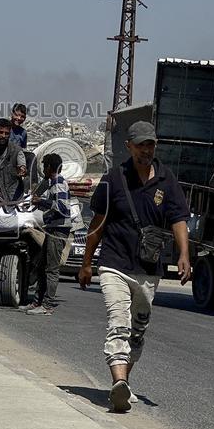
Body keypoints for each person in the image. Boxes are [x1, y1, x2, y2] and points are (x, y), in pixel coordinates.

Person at [77, 121, 191, 412]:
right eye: (140, 145)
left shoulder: (167, 181)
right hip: (114, 263)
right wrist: (87, 263)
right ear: (129, 146)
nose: (146, 150)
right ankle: (118, 381)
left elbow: (179, 219)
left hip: (148, 269)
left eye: (150, 144)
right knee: (119, 321)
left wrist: (183, 255)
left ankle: (123, 382)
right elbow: (97, 223)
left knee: (138, 329)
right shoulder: (113, 179)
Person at [25, 153, 71, 315]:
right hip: (52, 229)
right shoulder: (52, 183)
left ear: (49, 168)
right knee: (42, 266)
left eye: (44, 166)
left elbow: (63, 208)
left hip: (58, 231)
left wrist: (41, 202)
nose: (43, 169)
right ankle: (37, 302)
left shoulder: (59, 183)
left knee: (51, 268)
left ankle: (47, 305)